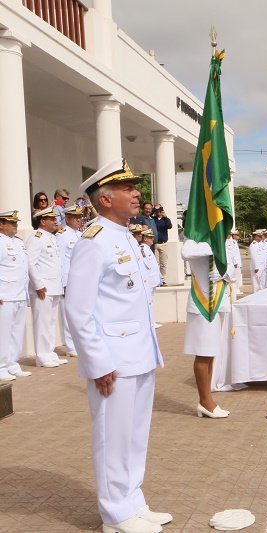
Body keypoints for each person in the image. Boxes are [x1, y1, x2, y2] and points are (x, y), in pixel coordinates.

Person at [65, 158, 171, 533]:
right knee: (112, 438)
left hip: (140, 353)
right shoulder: (94, 241)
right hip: (114, 360)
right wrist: (98, 363)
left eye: (135, 187)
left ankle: (133, 501)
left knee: (134, 435)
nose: (136, 193)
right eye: (128, 188)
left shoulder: (126, 236)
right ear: (105, 199)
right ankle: (115, 514)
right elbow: (78, 309)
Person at [182, 238, 233, 419]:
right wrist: (213, 248)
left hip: (216, 304)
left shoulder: (219, 242)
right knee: (203, 354)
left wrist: (223, 274)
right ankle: (205, 401)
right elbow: (186, 253)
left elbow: (231, 268)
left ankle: (207, 400)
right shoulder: (193, 242)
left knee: (210, 353)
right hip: (202, 305)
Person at [27, 207, 68, 368]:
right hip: (43, 288)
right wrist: (38, 285)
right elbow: (30, 263)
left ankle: (49, 352)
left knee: (50, 322)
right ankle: (42, 356)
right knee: (42, 322)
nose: (55, 221)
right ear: (43, 221)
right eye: (52, 219)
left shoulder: (52, 238)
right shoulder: (36, 237)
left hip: (54, 286)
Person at [0, 210, 32, 381]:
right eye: (11, 223)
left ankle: (12, 363)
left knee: (17, 332)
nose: (15, 225)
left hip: (19, 293)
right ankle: (1, 366)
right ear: (1, 225)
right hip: (4, 295)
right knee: (3, 333)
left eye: (16, 222)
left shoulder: (19, 243)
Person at [56, 205, 85, 357]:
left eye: (80, 217)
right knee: (68, 315)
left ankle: (79, 344)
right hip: (69, 280)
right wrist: (65, 283)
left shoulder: (81, 234)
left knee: (80, 313)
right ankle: (71, 346)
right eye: (75, 217)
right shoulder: (62, 235)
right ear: (68, 219)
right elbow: (61, 261)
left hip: (81, 279)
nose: (79, 220)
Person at [152, 204, 172, 285]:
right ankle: (157, 279)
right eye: (157, 211)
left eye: (160, 211)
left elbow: (169, 226)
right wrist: (154, 209)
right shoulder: (153, 219)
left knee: (163, 263)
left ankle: (163, 279)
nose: (158, 212)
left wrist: (165, 217)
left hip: (163, 243)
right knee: (155, 263)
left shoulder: (165, 220)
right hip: (155, 243)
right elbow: (148, 215)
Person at [226, 230, 244, 296]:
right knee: (232, 276)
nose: (238, 236)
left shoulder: (234, 242)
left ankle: (236, 289)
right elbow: (232, 253)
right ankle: (234, 289)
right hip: (232, 262)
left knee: (236, 276)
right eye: (237, 235)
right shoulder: (231, 242)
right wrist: (235, 262)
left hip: (235, 262)